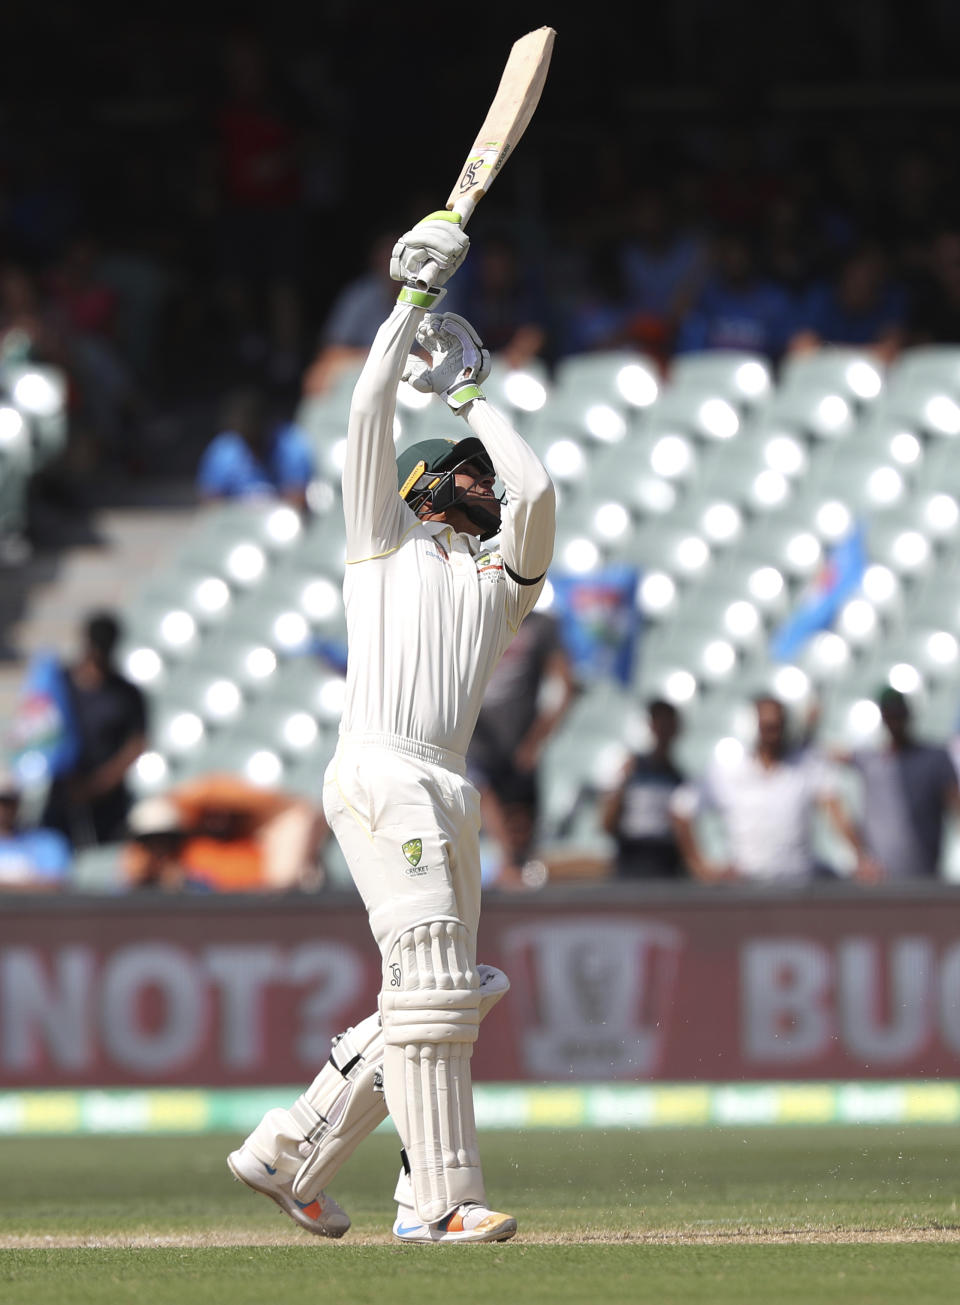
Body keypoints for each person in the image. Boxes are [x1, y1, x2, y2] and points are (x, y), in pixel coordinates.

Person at [226, 212, 555, 1244]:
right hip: (380, 772)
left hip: (445, 783)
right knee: (434, 982)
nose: (484, 480)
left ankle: (290, 1148)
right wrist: (406, 302)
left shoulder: (501, 587)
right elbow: (368, 403)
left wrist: (474, 399)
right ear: (422, 489)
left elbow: (538, 489)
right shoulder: (380, 540)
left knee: (444, 991)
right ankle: (437, 1203)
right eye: (463, 466)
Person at [670, 694, 850, 884]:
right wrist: (701, 867)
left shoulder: (806, 766)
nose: (772, 733)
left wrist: (860, 857)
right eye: (766, 727)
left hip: (798, 883)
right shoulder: (728, 770)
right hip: (748, 888)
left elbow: (834, 808)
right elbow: (681, 808)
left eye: (776, 726)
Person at [467, 608, 577, 890]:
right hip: (477, 743)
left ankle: (516, 886)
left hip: (519, 751)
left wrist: (536, 740)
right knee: (484, 796)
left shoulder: (541, 626)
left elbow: (566, 684)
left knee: (523, 840)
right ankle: (504, 870)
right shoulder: (470, 617)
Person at [828, 687, 960, 882]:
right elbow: (825, 758)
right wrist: (860, 853)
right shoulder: (870, 760)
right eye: (890, 714)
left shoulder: (934, 759)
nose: (895, 720)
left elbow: (955, 802)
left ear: (909, 714)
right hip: (878, 878)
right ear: (883, 717)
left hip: (924, 875)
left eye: (898, 713)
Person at [41, 611, 148, 848]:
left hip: (108, 795)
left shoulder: (127, 694)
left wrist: (98, 784)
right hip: (62, 789)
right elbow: (39, 728)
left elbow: (136, 744)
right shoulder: (60, 682)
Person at [600, 699, 687, 880]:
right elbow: (607, 823)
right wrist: (622, 784)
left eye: (667, 723)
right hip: (632, 860)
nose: (662, 729)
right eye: (658, 722)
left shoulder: (679, 779)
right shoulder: (631, 770)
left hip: (665, 863)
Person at [195, 385, 314, 509]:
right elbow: (211, 501)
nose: (251, 435)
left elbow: (297, 498)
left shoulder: (291, 445)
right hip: (237, 522)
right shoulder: (223, 451)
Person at [0, 766, 72, 890]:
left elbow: (56, 887)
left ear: (18, 802)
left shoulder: (48, 842)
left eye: (6, 801)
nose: (2, 809)